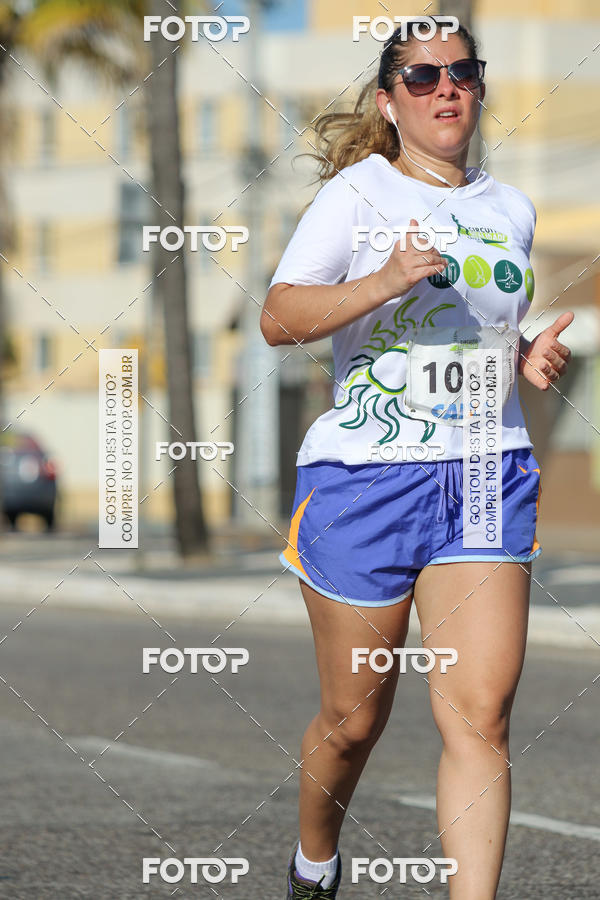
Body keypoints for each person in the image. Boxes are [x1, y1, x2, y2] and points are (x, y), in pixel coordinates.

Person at [261, 18, 573, 900]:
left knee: (482, 717)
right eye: (424, 76)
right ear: (390, 101)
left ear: (479, 87)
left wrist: (524, 357)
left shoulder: (510, 208)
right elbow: (279, 318)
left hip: (484, 470)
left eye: (462, 72)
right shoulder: (355, 197)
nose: (447, 88)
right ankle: (314, 864)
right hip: (366, 479)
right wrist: (383, 280)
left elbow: (480, 329)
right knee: (353, 721)